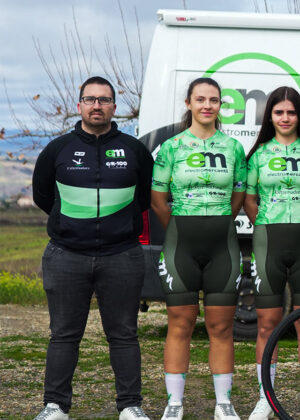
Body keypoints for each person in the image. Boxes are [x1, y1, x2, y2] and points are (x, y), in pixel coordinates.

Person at [32, 76, 153, 420]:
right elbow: (43, 195)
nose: (97, 105)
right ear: (80, 105)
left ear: (114, 107)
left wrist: (118, 224)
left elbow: (144, 197)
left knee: (124, 334)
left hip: (122, 254)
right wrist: (72, 223)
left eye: (104, 100)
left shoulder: (134, 150)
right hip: (66, 254)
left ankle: (130, 406)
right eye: (90, 99)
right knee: (63, 335)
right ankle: (55, 406)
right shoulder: (57, 149)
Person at [150, 77, 246, 420]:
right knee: (180, 324)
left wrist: (216, 222)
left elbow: (238, 196)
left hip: (222, 245)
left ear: (221, 105)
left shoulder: (233, 148)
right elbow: (158, 200)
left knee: (221, 328)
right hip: (182, 245)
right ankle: (174, 404)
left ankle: (224, 404)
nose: (207, 105)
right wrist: (180, 228)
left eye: (214, 100)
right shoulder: (171, 147)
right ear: (188, 103)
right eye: (201, 99)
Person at [245, 86, 300, 420]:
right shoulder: (259, 154)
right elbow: (249, 200)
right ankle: (265, 397)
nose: (285, 118)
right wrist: (267, 224)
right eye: (278, 112)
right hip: (268, 241)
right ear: (270, 116)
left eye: (291, 112)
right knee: (267, 324)